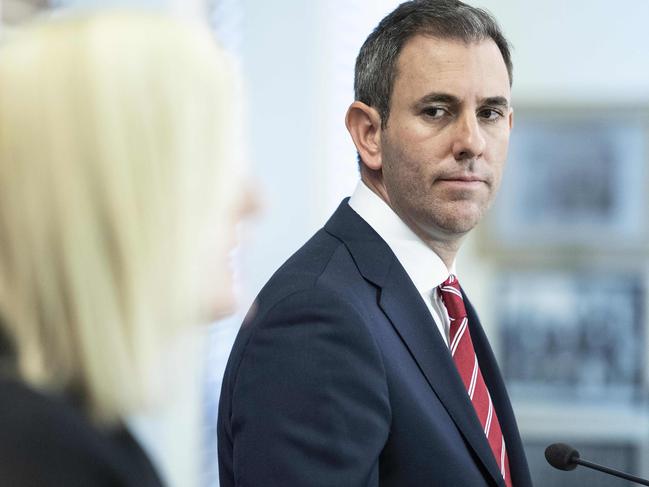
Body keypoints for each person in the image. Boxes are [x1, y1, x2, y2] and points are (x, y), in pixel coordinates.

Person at [218, 0, 533, 486]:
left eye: (490, 113)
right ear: (368, 134)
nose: (472, 141)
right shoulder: (317, 317)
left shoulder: (436, 298)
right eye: (437, 110)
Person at [0, 10, 247, 485]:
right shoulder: (43, 457)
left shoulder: (63, 427)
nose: (250, 201)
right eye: (211, 167)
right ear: (108, 200)